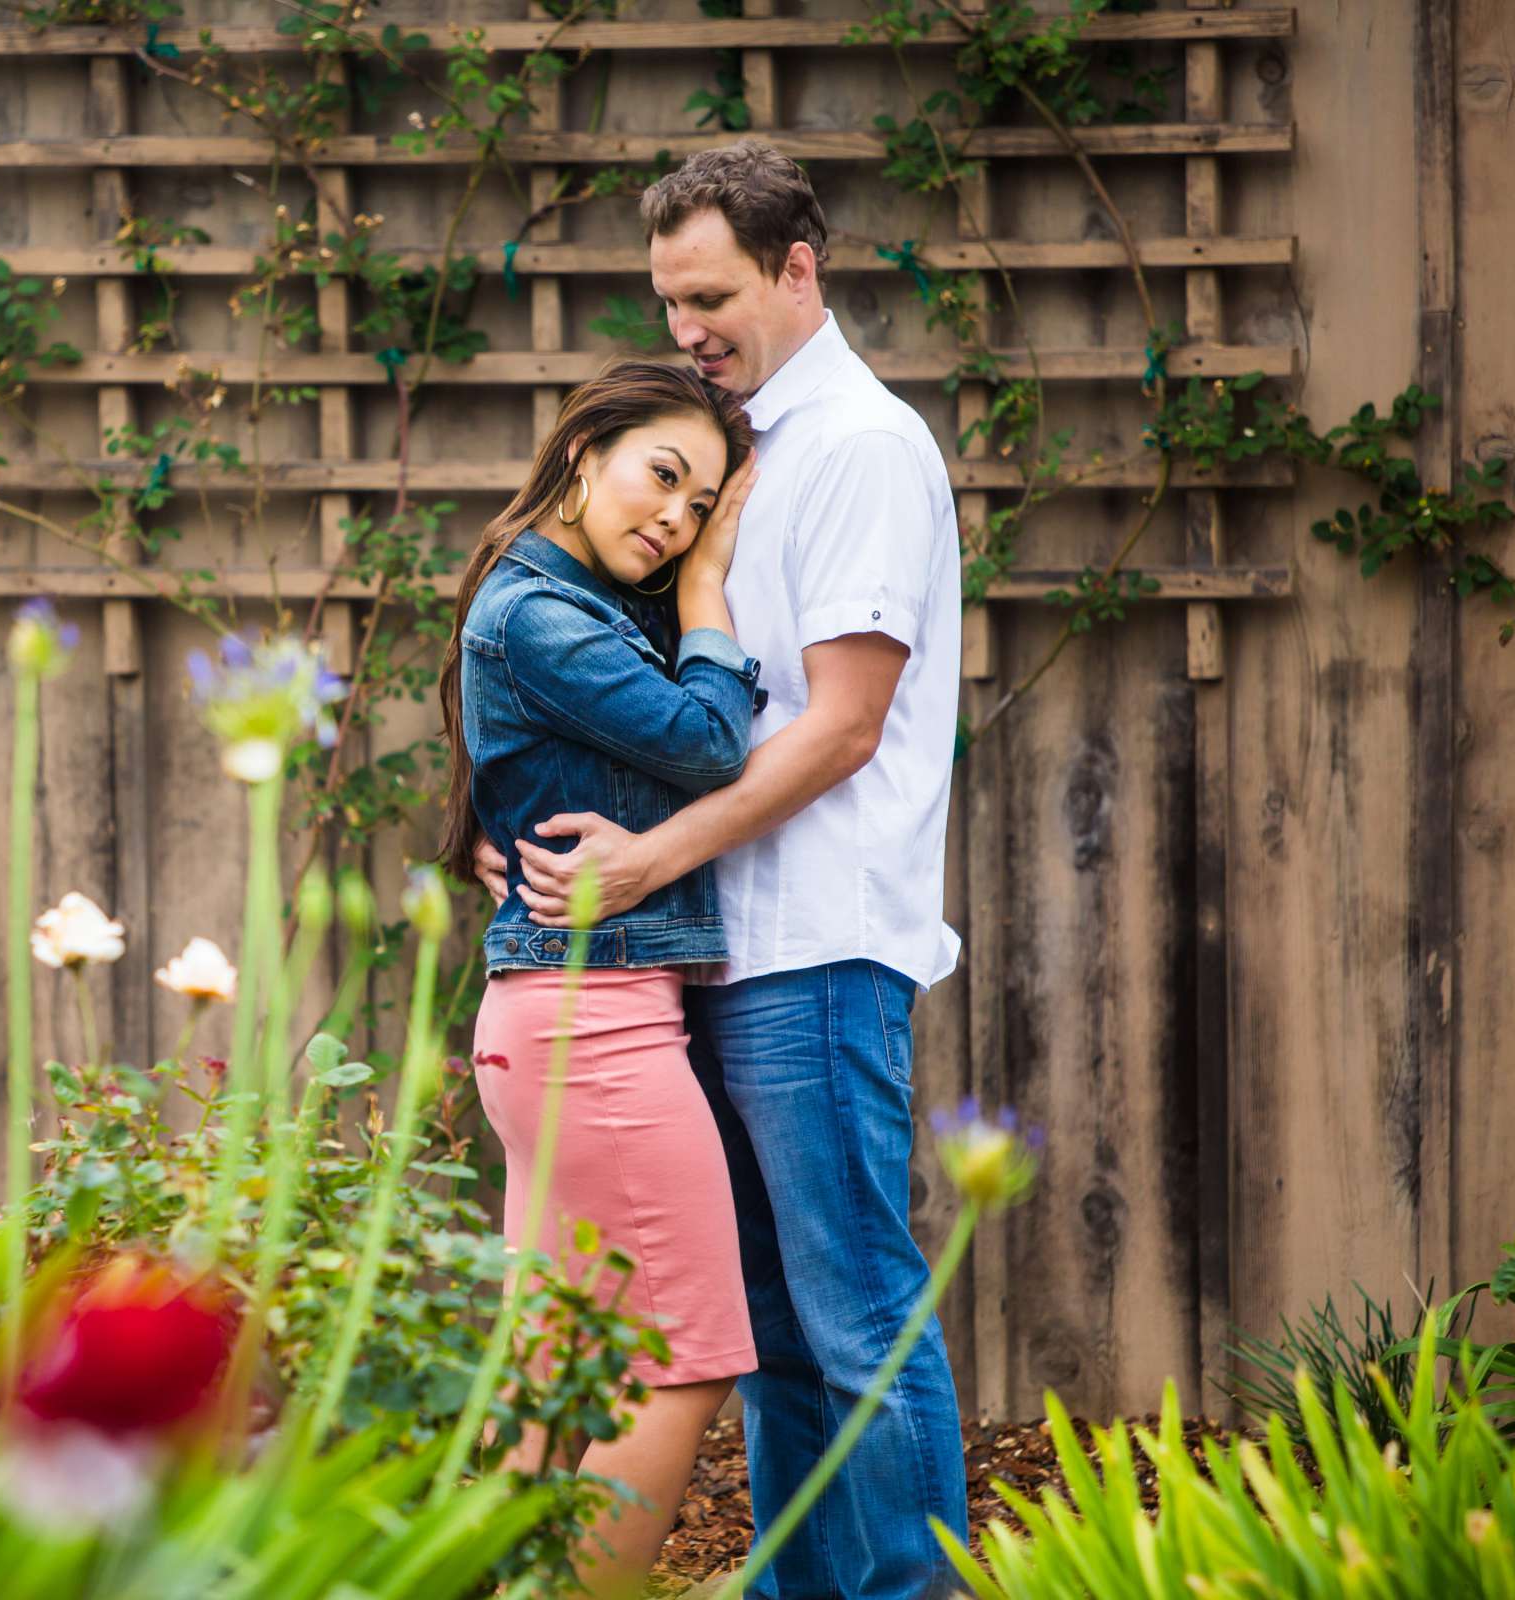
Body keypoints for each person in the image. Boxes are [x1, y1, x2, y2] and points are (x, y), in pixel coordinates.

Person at [475, 140, 970, 1599]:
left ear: (797, 268)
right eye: (667, 299)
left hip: (812, 945)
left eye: (709, 294)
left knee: (858, 1309)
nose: (685, 326)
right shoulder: (745, 446)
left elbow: (841, 728)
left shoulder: (863, 448)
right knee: (771, 1323)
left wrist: (645, 866)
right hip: (720, 951)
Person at [438, 358, 764, 1595]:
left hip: (566, 1018)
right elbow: (708, 739)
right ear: (586, 454)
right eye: (662, 477)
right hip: (597, 1027)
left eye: (700, 506)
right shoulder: (537, 613)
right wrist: (716, 585)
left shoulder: (557, 602)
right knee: (685, 1354)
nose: (675, 520)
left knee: (553, 1369)